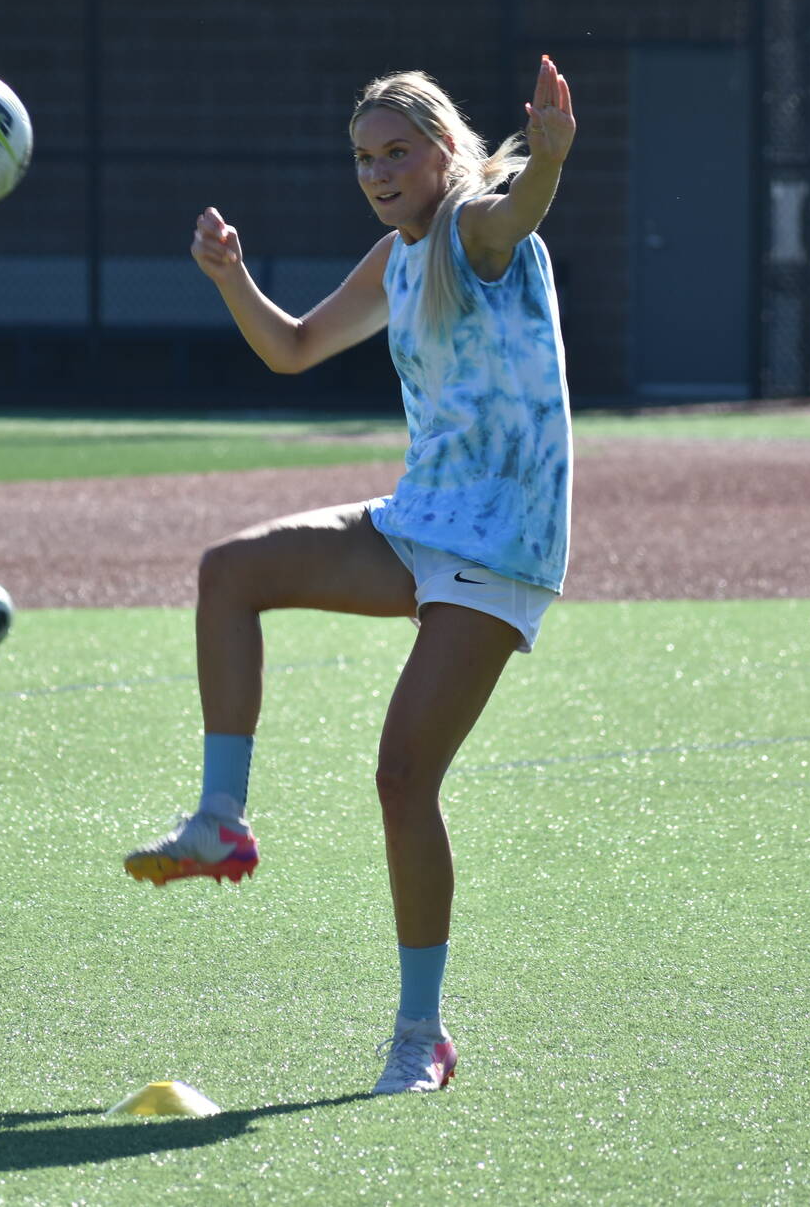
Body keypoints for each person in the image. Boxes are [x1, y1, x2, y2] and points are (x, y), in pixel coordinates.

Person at [124, 56, 576, 1097]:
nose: (376, 171)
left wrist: (546, 163)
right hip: (417, 522)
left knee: (401, 780)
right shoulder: (396, 256)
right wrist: (229, 274)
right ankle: (218, 822)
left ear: (444, 148)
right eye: (363, 157)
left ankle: (420, 1036)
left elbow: (516, 218)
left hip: (500, 543)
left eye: (395, 151)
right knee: (230, 571)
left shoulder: (473, 226)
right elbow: (290, 350)